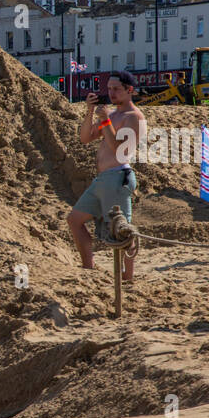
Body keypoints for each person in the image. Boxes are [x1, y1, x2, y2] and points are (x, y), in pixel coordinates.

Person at [69, 70, 144, 281]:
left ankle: (128, 277)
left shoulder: (134, 117)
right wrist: (90, 112)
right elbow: (85, 138)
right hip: (102, 179)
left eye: (116, 89)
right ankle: (89, 267)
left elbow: (120, 150)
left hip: (118, 176)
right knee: (75, 219)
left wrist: (105, 120)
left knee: (122, 229)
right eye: (109, 89)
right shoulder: (111, 115)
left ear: (129, 90)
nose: (111, 93)